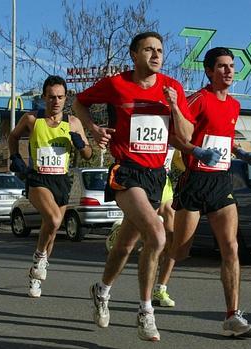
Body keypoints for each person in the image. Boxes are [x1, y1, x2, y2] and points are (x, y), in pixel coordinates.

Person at [72, 31, 193, 341]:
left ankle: (101, 290)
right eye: (148, 49)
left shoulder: (172, 87)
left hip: (156, 177)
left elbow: (187, 134)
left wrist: (176, 107)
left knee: (125, 246)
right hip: (126, 172)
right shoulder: (117, 84)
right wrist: (93, 128)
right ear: (134, 55)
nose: (155, 55)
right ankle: (145, 311)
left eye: (160, 50)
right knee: (156, 234)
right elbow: (79, 102)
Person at [171, 47, 251, 338]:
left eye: (231, 66)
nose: (229, 71)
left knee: (231, 247)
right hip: (195, 180)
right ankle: (153, 250)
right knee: (181, 250)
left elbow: (226, 139)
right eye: (222, 66)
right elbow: (176, 134)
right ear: (209, 71)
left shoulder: (233, 105)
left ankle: (232, 315)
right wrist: (196, 150)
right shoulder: (198, 99)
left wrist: (241, 154)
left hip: (221, 181)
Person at [8, 75, 93, 298]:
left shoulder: (73, 122)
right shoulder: (31, 119)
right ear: (44, 97)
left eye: (60, 97)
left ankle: (36, 276)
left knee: (52, 230)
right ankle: (39, 259)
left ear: (66, 98)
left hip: (61, 181)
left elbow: (88, 154)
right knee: (55, 220)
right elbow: (13, 136)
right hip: (38, 179)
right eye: (51, 97)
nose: (56, 101)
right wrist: (15, 156)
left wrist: (81, 144)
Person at [105, 148, 183, 308]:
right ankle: (120, 231)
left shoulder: (173, 126)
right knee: (143, 234)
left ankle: (160, 288)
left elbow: (178, 160)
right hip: (141, 179)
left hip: (162, 181)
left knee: (171, 238)